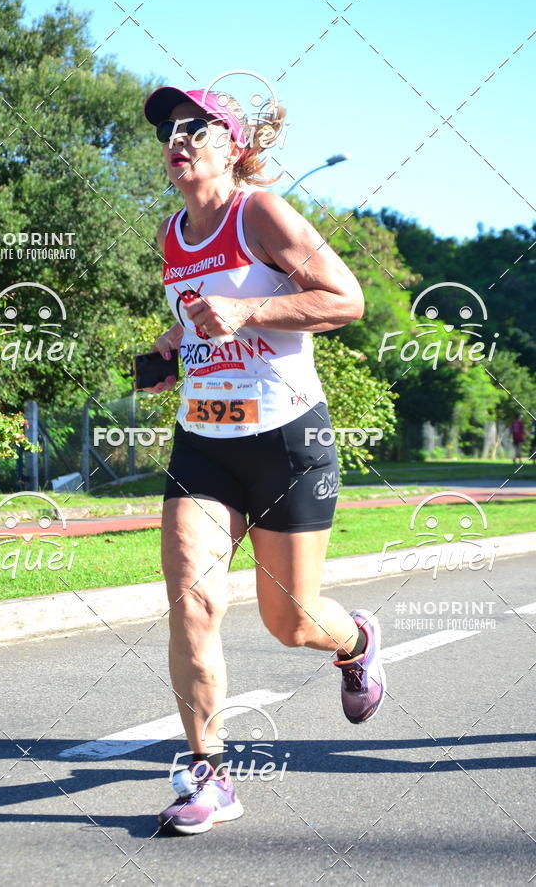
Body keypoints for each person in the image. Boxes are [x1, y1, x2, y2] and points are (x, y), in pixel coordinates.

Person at [142, 85, 386, 836]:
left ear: (232, 144)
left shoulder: (262, 216)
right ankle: (207, 774)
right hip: (204, 442)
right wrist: (171, 348)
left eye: (195, 128)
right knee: (192, 596)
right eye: (168, 130)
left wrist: (249, 310)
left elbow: (347, 300)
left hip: (288, 441)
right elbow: (200, 319)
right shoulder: (171, 236)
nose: (177, 140)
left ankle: (356, 641)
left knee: (293, 621)